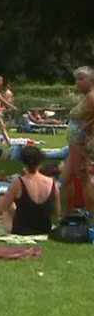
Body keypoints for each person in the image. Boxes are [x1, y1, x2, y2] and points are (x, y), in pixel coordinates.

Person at [0, 146, 60, 234]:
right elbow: (56, 212)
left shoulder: (19, 182)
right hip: (44, 229)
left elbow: (3, 206)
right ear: (40, 162)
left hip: (21, 230)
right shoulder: (53, 183)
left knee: (0, 201)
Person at [60, 66, 94, 215]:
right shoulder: (86, 97)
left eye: (81, 79)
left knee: (82, 178)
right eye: (76, 79)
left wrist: (84, 137)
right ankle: (71, 212)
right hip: (74, 143)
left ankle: (89, 213)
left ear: (91, 80)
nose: (77, 83)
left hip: (81, 143)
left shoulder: (92, 97)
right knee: (67, 178)